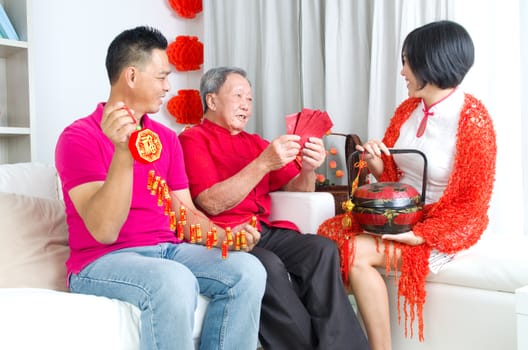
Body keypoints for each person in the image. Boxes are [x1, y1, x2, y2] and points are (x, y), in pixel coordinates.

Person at [54, 26, 266, 350]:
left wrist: (225, 237)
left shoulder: (166, 139)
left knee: (248, 271)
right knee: (174, 280)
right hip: (102, 260)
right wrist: (123, 153)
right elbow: (104, 230)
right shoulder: (78, 137)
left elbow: (183, 216)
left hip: (167, 250)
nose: (169, 86)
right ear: (132, 76)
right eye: (162, 77)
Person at [318, 20, 497, 349]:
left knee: (353, 251)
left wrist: (422, 234)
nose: (402, 72)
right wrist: (374, 159)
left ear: (431, 62)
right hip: (401, 218)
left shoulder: (473, 119)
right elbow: (391, 178)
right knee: (327, 239)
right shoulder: (408, 109)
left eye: (406, 62)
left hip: (443, 230)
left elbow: (474, 203)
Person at [179, 66, 369, 350]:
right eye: (238, 95)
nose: (246, 104)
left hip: (262, 230)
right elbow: (210, 203)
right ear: (212, 100)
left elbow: (297, 190)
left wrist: (307, 169)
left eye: (250, 99)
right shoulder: (192, 139)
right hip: (224, 236)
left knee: (322, 250)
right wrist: (264, 163)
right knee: (267, 264)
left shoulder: (254, 142)